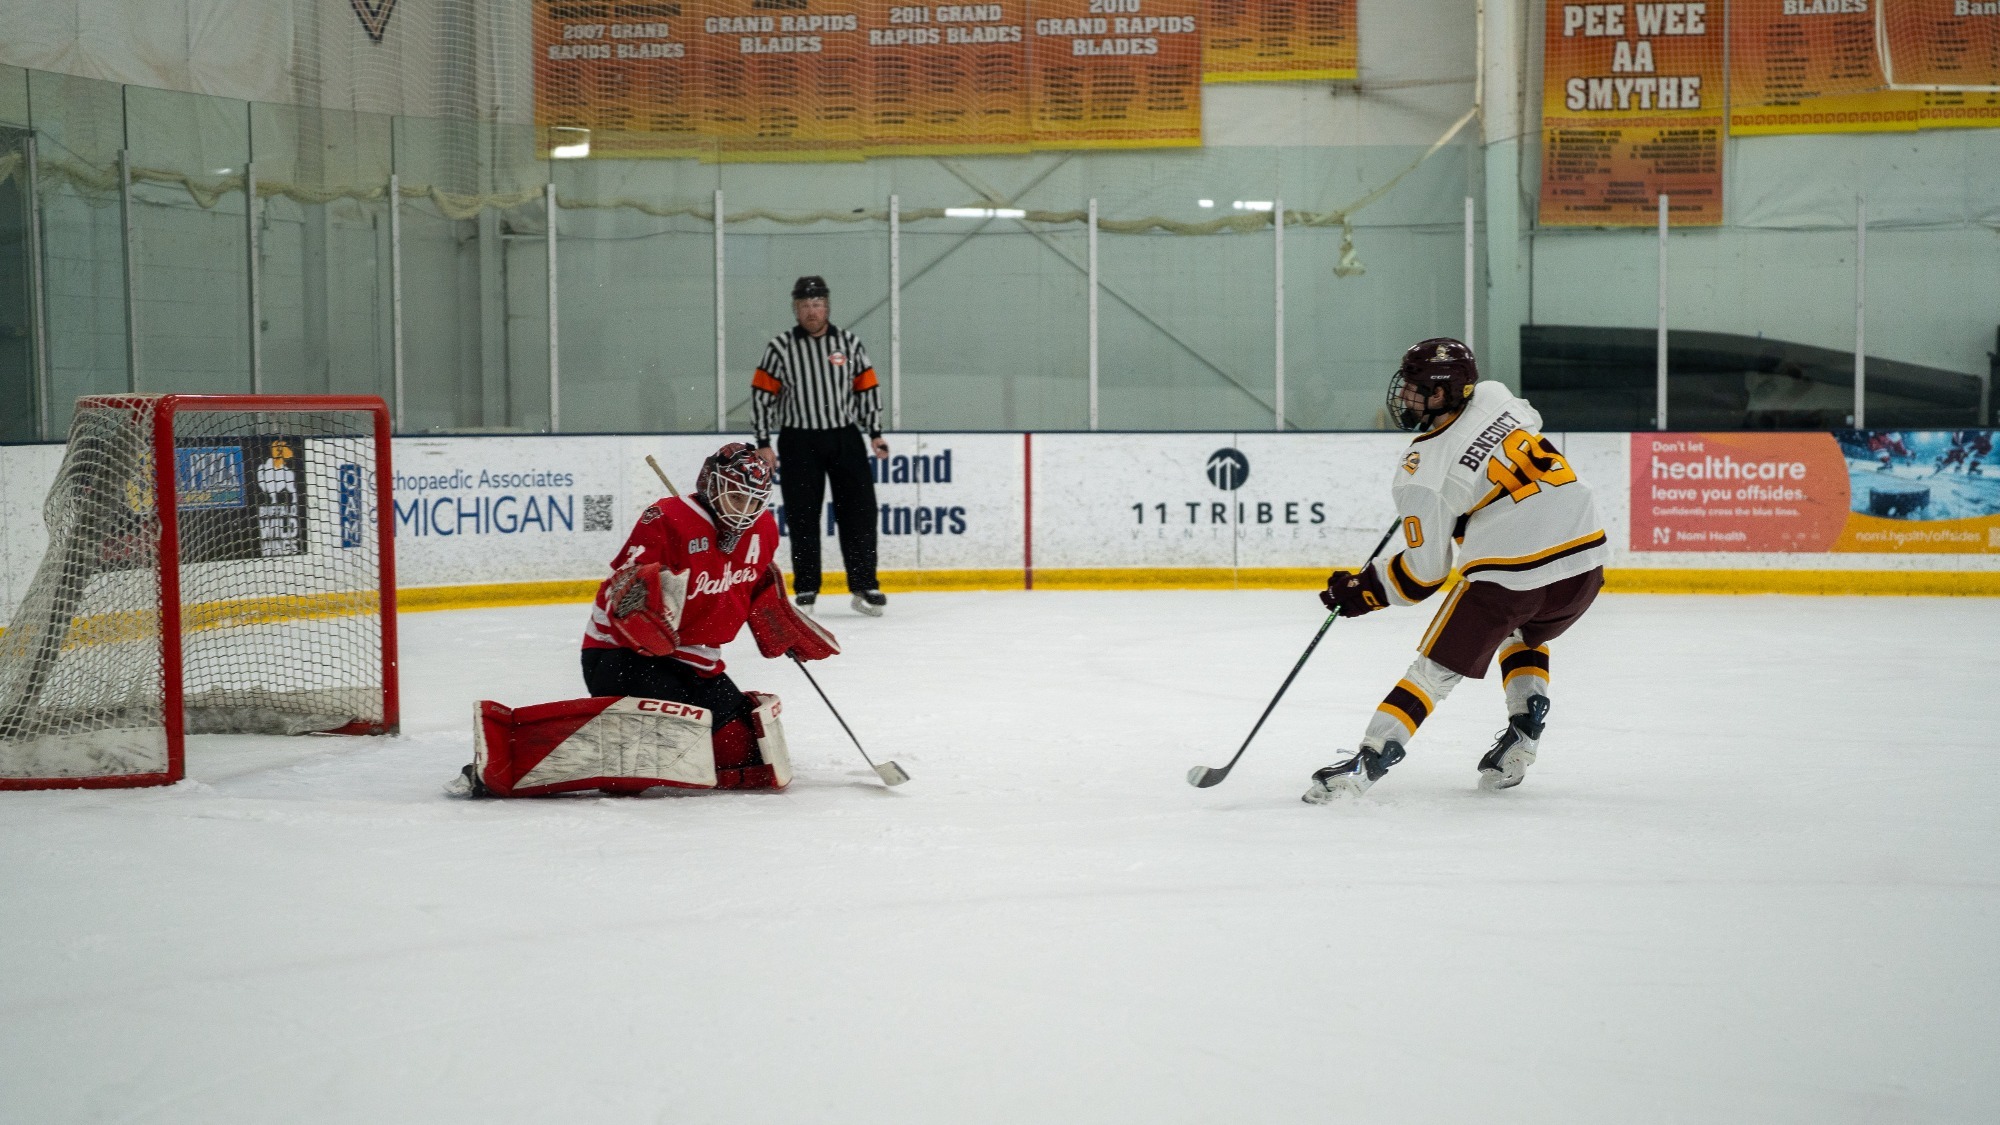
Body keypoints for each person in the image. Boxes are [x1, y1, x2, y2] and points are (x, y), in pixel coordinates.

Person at [1305, 338, 1608, 803]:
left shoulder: (1423, 472)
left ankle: (1368, 761)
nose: (1404, 396)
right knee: (1523, 634)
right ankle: (1525, 727)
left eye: (1415, 388)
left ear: (1443, 393)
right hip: (1585, 560)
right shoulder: (1495, 394)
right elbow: (1527, 424)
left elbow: (1422, 576)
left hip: (1512, 572)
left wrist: (1366, 589)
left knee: (1431, 673)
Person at [448, 443, 840, 798]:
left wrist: (776, 618)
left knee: (741, 752)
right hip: (624, 656)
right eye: (736, 496)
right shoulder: (666, 518)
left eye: (754, 502)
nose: (744, 510)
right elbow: (622, 589)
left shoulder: (763, 530)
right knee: (647, 750)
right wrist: (644, 607)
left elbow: (753, 584)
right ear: (711, 484)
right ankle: (508, 756)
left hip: (697, 664)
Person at [751, 275, 890, 617]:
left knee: (859, 512)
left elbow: (866, 388)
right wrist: (763, 441)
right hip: (799, 439)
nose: (811, 311)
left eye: (817, 304)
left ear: (827, 307)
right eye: (804, 306)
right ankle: (807, 589)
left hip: (844, 437)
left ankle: (864, 584)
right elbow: (761, 395)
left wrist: (874, 432)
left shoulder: (849, 343)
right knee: (802, 515)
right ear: (795, 309)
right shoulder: (780, 347)